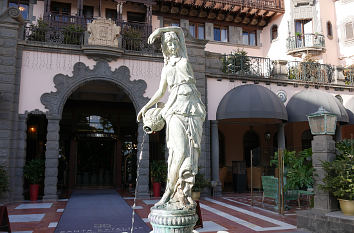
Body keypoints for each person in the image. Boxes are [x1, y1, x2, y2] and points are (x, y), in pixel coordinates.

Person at [137, 27, 206, 209]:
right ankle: (168, 192)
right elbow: (160, 92)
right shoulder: (167, 68)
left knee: (192, 153)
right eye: (169, 44)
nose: (173, 45)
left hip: (193, 108)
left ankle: (184, 192)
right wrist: (145, 107)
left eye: (174, 43)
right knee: (179, 151)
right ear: (165, 48)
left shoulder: (184, 59)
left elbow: (180, 32)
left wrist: (160, 30)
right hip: (175, 108)